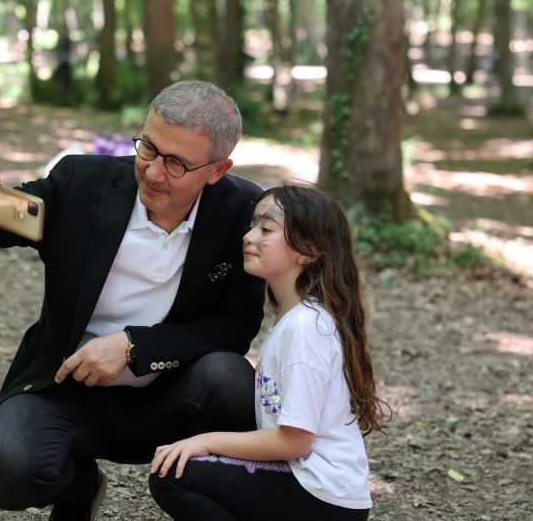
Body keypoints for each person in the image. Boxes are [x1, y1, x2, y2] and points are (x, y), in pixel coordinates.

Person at [0, 80, 265, 520]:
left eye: (177, 164)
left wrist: (133, 345)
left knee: (232, 379)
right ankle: (78, 489)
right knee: (5, 469)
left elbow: (234, 326)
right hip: (66, 386)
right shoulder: (82, 183)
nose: (154, 172)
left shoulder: (243, 212)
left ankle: (201, 497)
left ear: (217, 170)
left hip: (171, 392)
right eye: (149, 149)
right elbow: (1, 217)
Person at [148, 185, 391, 521]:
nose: (249, 236)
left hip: (318, 493)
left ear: (307, 250)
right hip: (322, 494)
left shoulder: (306, 327)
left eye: (266, 228)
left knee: (172, 477)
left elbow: (294, 442)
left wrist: (204, 442)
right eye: (252, 225)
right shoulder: (296, 319)